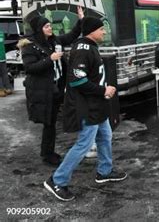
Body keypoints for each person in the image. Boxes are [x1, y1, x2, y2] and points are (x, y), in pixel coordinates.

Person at [44, 16, 127, 202]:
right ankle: (57, 180)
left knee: (105, 136)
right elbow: (78, 80)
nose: (104, 32)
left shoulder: (90, 46)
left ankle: (104, 172)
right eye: (101, 29)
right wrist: (103, 89)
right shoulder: (83, 50)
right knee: (84, 144)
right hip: (86, 107)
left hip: (98, 106)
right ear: (91, 31)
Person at [19, 7, 84, 165]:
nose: (50, 28)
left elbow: (72, 35)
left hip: (56, 88)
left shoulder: (54, 41)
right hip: (43, 90)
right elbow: (30, 68)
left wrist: (81, 20)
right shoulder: (30, 46)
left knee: (52, 122)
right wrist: (51, 59)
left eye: (50, 26)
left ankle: (48, 151)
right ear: (39, 29)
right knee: (49, 123)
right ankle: (47, 155)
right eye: (46, 26)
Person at [0, 27, 13, 97]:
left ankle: (1, 90)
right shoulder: (1, 33)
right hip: (2, 57)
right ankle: (8, 88)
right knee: (4, 74)